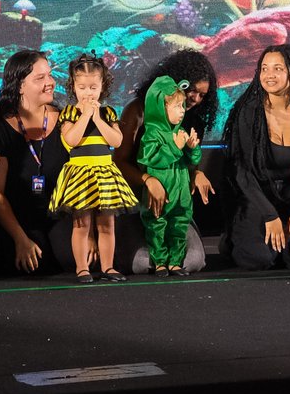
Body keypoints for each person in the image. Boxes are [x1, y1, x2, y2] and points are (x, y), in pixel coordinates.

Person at [220, 44, 290, 270]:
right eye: (264, 68)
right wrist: (270, 215)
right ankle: (234, 236)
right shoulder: (249, 112)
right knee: (257, 259)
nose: (269, 75)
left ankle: (281, 244)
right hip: (258, 196)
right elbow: (242, 171)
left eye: (277, 68)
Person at [111, 50, 220, 274]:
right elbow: (119, 162)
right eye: (192, 91)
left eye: (202, 95)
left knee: (193, 261)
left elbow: (189, 162)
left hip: (174, 206)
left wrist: (196, 173)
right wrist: (147, 180)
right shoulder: (137, 110)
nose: (195, 99)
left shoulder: (191, 118)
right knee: (141, 263)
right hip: (138, 205)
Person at [50, 54, 137, 282]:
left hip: (105, 173)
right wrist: (85, 116)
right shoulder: (70, 113)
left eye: (93, 88)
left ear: (102, 87)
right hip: (81, 174)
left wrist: (97, 119)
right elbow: (71, 140)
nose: (88, 93)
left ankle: (108, 267)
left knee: (107, 224)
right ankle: (82, 268)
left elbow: (117, 141)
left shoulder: (108, 114)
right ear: (73, 87)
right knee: (82, 224)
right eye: (82, 88)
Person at [0, 50, 65, 275]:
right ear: (19, 86)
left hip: (59, 216)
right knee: (36, 262)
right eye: (40, 78)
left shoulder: (66, 120)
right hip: (18, 220)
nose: (50, 82)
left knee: (76, 258)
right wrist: (20, 239)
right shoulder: (0, 128)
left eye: (50, 75)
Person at [139, 76, 204, 277]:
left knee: (179, 225)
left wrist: (192, 149)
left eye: (182, 106)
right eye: (176, 106)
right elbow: (150, 159)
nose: (182, 110)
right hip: (161, 194)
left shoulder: (180, 131)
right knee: (157, 225)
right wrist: (175, 148)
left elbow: (192, 160)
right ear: (160, 107)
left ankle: (175, 262)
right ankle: (160, 262)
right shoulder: (151, 133)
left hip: (181, 193)